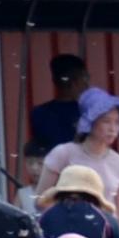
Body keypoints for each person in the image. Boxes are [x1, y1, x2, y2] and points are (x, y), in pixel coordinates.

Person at [37, 88, 119, 238]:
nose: (113, 128)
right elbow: (40, 200)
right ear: (91, 122)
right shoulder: (63, 154)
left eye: (117, 122)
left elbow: (118, 217)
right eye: (106, 121)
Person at [22, 53, 89, 186]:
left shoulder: (39, 113)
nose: (87, 84)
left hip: (51, 180)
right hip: (84, 178)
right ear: (74, 82)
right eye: (85, 78)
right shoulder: (87, 112)